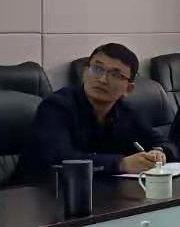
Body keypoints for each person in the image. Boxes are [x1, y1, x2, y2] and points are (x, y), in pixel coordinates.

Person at [21, 43, 169, 177]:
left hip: (101, 191)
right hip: (38, 190)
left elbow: (162, 142)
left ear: (128, 89)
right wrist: (120, 164)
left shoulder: (125, 111)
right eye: (97, 69)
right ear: (85, 72)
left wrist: (158, 152)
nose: (103, 79)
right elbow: (59, 158)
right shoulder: (56, 106)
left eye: (115, 75)